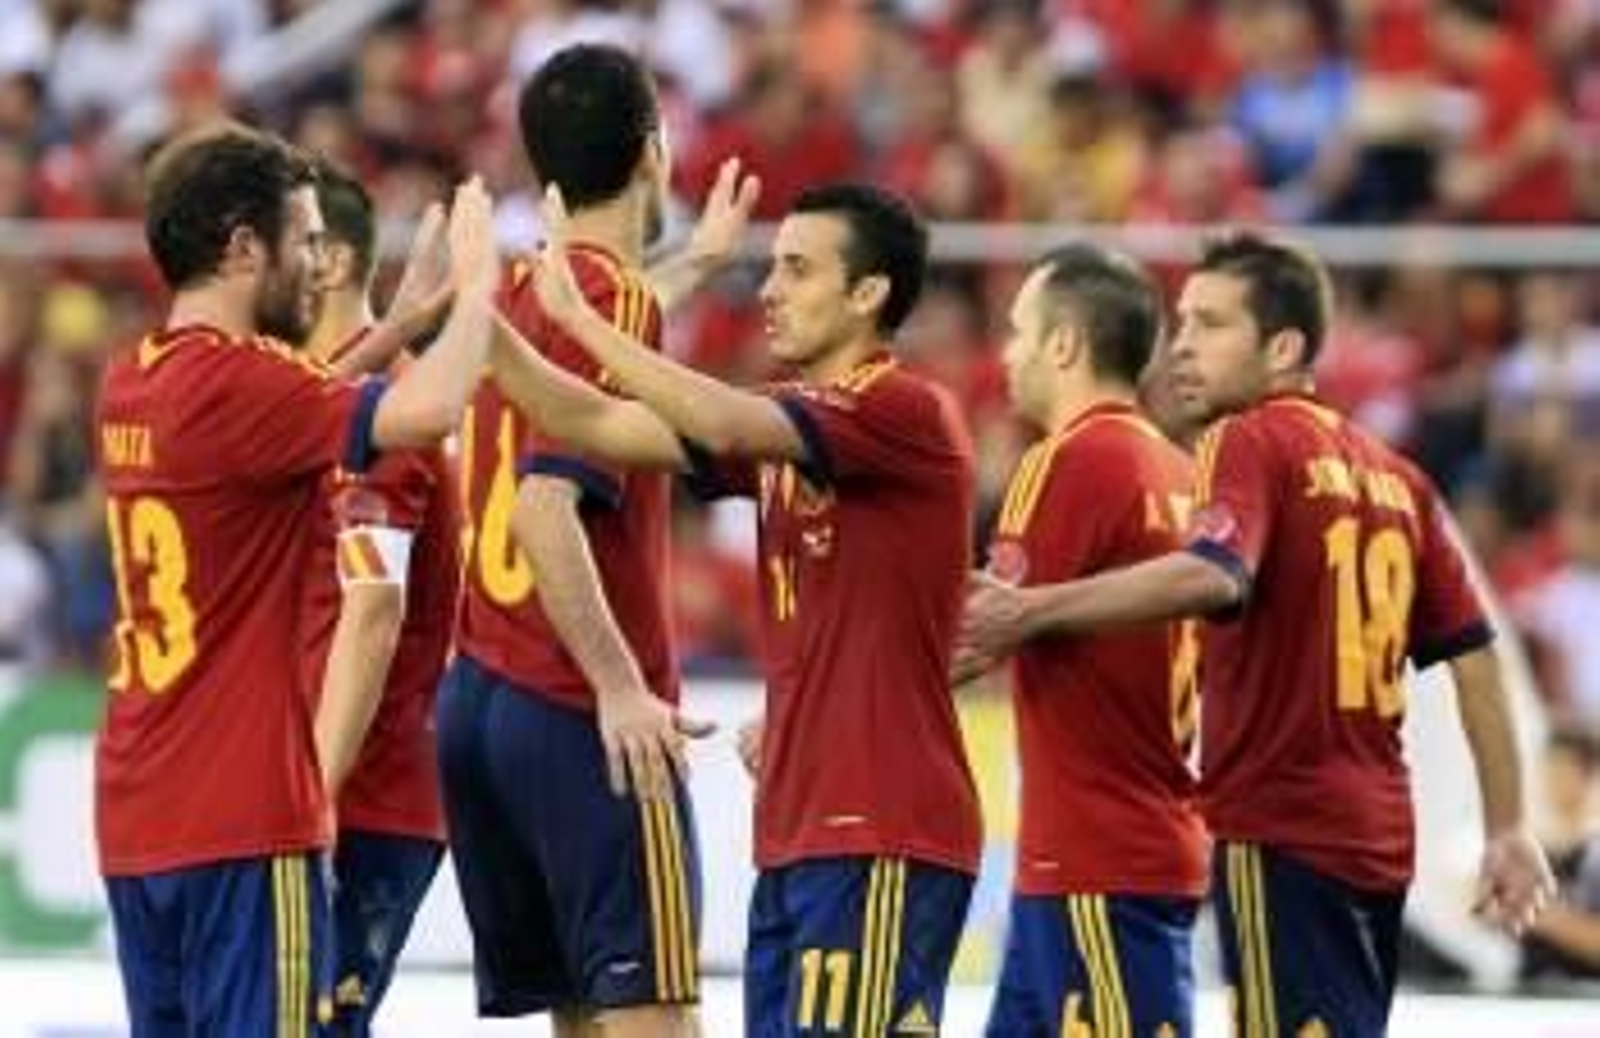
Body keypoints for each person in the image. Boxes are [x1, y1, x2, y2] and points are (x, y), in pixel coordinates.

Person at [958, 230, 1553, 1036]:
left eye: (1211, 324)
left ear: (1284, 346)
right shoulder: (1398, 476)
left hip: (1280, 826)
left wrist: (1032, 609)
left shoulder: (1248, 439)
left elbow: (1215, 574)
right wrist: (1508, 825)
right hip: (1374, 833)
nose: (1181, 348)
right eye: (1182, 321)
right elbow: (1474, 656)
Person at [492, 178, 982, 1037]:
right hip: (799, 832)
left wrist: (584, 321)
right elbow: (601, 423)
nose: (767, 290)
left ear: (868, 294)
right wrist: (484, 326)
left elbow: (720, 422)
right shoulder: (791, 427)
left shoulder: (901, 409)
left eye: (796, 269)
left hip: (880, 825)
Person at [94, 122, 496, 1036]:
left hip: (137, 810)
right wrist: (481, 283)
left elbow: (267, 418)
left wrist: (393, 328)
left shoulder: (133, 380)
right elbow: (428, 407)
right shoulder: (251, 384)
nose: (320, 265)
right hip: (246, 815)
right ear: (244, 248)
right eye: (305, 239)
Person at [436, 43, 743, 1037]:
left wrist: (694, 262)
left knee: (581, 1014)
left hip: (482, 693)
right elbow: (544, 506)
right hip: (572, 700)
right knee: (654, 1016)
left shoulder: (528, 287)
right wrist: (618, 683)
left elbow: (599, 335)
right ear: (656, 152)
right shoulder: (612, 306)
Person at [971, 245, 1208, 1037]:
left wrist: (818, 719)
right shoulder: (1180, 473)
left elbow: (979, 633)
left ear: (1064, 344)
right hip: (1118, 848)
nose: (1006, 352)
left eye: (1018, 330)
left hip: (1098, 861)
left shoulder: (1068, 460)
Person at [295, 161, 459, 1036]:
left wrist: (310, 797)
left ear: (324, 260)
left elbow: (373, 610)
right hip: (313, 786)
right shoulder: (312, 397)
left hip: (359, 797)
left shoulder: (385, 414)